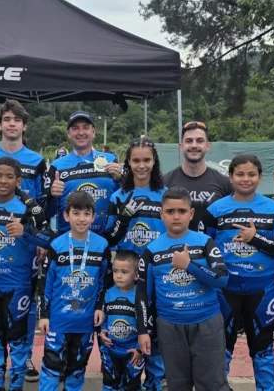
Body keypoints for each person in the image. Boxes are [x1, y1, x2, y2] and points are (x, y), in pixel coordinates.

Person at [204, 153, 274, 391]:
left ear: (260, 177)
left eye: (251, 174)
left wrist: (255, 238)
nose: (246, 179)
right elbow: (203, 247)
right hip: (226, 290)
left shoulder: (273, 208)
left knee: (262, 347)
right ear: (231, 176)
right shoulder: (215, 209)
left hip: (262, 290)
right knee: (221, 347)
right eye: (240, 174)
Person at [0, 99, 47, 382]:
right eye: (7, 119)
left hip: (26, 241)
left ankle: (24, 356)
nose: (12, 124)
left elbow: (42, 203)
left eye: (17, 120)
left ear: (24, 125)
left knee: (26, 303)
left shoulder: (38, 160)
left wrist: (38, 237)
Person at [137, 187, 229, 391]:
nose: (176, 216)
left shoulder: (205, 242)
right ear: (161, 213)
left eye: (182, 211)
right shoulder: (151, 250)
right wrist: (143, 331)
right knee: (177, 384)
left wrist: (189, 265)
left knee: (213, 384)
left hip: (207, 322)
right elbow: (143, 293)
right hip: (169, 326)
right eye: (170, 211)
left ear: (191, 213)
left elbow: (222, 278)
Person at [104, 137, 166, 391]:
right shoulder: (118, 196)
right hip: (127, 279)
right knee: (130, 333)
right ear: (128, 163)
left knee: (155, 336)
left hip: (156, 276)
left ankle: (154, 384)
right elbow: (110, 238)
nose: (141, 165)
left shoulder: (165, 195)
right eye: (136, 160)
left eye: (147, 160)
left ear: (155, 161)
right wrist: (124, 216)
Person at [37, 191, 111, 391]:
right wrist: (43, 315)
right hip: (58, 319)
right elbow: (45, 283)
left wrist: (100, 307)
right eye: (76, 213)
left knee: (78, 367)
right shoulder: (56, 245)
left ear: (93, 217)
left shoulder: (102, 245)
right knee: (52, 366)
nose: (81, 219)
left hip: (86, 320)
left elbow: (104, 281)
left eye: (87, 214)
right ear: (66, 216)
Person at [44, 110, 122, 234]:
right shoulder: (57, 165)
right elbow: (46, 213)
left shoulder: (110, 160)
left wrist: (120, 180)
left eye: (86, 127)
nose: (81, 132)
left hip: (106, 240)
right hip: (69, 240)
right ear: (68, 133)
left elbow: (124, 201)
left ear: (93, 132)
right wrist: (52, 196)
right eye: (75, 128)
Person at [163, 121, 233, 232]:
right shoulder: (165, 182)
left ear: (208, 145)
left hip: (213, 243)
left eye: (199, 141)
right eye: (189, 141)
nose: (194, 145)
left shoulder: (224, 183)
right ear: (181, 146)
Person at [98, 250, 144, 391]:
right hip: (111, 349)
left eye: (124, 272)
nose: (118, 276)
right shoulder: (108, 293)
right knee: (110, 383)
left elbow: (146, 324)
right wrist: (102, 332)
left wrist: (139, 349)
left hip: (133, 351)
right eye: (115, 271)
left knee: (132, 386)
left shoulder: (141, 295)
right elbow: (103, 316)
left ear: (136, 275)